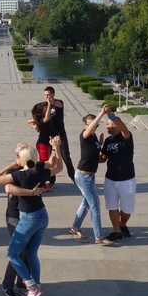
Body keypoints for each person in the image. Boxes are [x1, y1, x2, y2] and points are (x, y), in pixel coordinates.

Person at [0, 141, 62, 296]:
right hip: (42, 216)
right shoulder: (41, 171)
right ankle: (36, 285)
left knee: (13, 254)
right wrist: (57, 148)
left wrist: (14, 166)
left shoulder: (19, 175)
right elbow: (58, 168)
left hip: (28, 218)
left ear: (21, 159)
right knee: (31, 253)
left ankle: (31, 287)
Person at [70, 107, 114, 245]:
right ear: (86, 125)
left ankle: (75, 227)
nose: (94, 127)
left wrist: (100, 145)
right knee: (95, 205)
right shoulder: (84, 134)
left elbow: (94, 156)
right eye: (92, 124)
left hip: (89, 175)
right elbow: (90, 131)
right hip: (83, 176)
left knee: (86, 203)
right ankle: (99, 237)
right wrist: (101, 113)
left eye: (96, 125)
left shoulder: (94, 137)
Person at [0, 143, 32, 296]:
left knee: (27, 250)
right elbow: (8, 188)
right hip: (14, 214)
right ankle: (7, 284)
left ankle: (22, 282)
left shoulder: (32, 167)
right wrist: (31, 192)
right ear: (17, 156)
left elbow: (54, 166)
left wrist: (56, 149)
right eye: (21, 154)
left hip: (28, 213)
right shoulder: (13, 171)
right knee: (17, 251)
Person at [100, 108, 136, 242]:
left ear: (115, 124)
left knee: (127, 209)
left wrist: (110, 114)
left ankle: (123, 224)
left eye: (108, 124)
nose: (106, 127)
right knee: (112, 206)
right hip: (110, 178)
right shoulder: (108, 141)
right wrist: (90, 156)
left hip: (127, 179)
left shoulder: (126, 136)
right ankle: (117, 231)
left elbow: (123, 126)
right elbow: (103, 158)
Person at [43, 86, 75, 180]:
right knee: (51, 159)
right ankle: (51, 180)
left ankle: (73, 177)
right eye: (45, 95)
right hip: (50, 136)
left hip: (60, 135)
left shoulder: (58, 102)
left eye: (48, 94)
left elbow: (60, 105)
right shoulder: (44, 105)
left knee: (66, 157)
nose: (47, 97)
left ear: (53, 94)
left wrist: (52, 102)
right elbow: (44, 118)